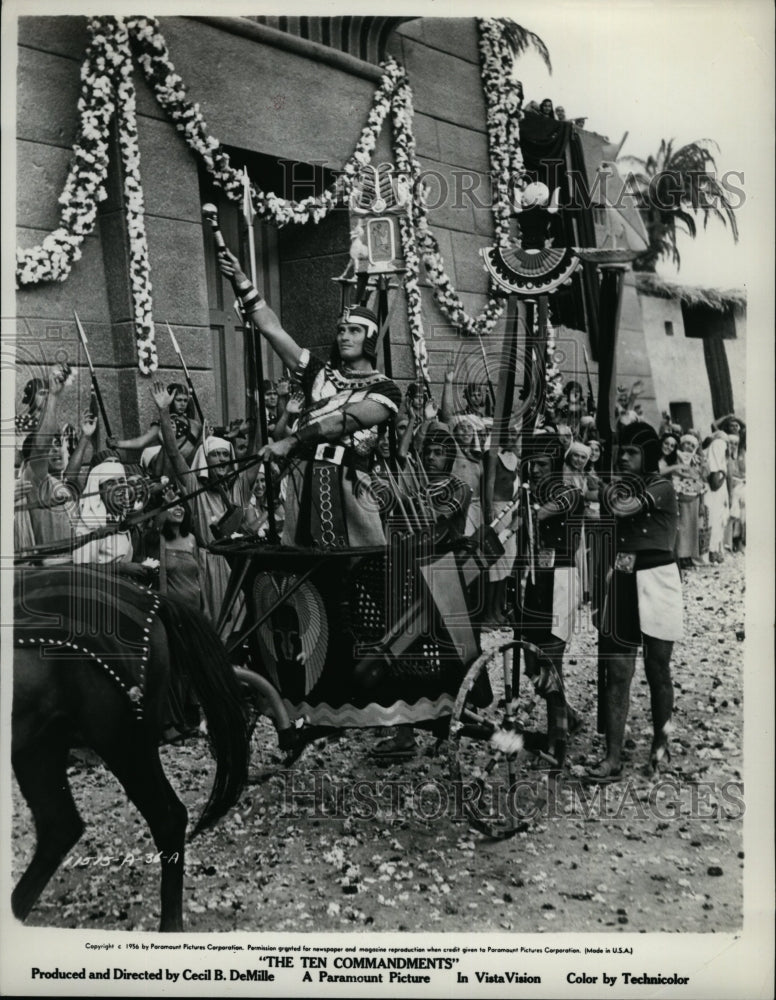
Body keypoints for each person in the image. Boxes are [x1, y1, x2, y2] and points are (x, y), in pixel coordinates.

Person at [219, 247, 401, 548]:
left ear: (369, 336)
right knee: (304, 571)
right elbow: (272, 328)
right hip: (305, 479)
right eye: (341, 330)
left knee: (361, 568)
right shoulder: (318, 373)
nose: (344, 336)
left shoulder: (385, 389)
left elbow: (342, 422)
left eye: (354, 330)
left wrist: (290, 441)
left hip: (351, 485)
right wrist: (241, 280)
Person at [589, 420, 682, 782]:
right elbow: (607, 545)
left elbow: (627, 508)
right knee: (617, 673)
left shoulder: (662, 486)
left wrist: (604, 488)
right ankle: (612, 757)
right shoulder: (617, 488)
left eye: (631, 452)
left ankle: (661, 745)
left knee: (658, 669)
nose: (624, 458)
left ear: (648, 455)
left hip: (658, 580)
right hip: (623, 580)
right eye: (621, 452)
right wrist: (600, 599)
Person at [518, 432, 584, 766]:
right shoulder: (528, 494)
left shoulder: (569, 491)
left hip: (561, 581)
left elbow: (539, 515)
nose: (534, 470)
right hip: (535, 582)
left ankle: (557, 743)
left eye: (542, 464)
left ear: (555, 465)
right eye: (530, 464)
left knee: (551, 664)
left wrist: (522, 510)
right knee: (532, 666)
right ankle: (566, 715)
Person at [109, 382, 201, 470]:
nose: (182, 404)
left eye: (185, 400)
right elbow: (141, 442)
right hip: (168, 466)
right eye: (179, 400)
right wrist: (118, 444)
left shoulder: (195, 424)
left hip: (189, 466)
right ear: (171, 400)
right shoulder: (164, 423)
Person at [483, 426, 521, 625]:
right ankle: (488, 613)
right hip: (497, 510)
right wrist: (489, 508)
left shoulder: (515, 458)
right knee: (495, 564)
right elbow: (489, 483)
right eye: (507, 433)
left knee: (507, 564)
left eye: (514, 434)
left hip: (511, 511)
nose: (510, 437)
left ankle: (499, 609)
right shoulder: (493, 456)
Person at [703, 430, 729, 564]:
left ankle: (716, 551)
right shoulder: (715, 464)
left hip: (716, 496)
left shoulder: (715, 461)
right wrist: (724, 474)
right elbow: (714, 484)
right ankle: (711, 552)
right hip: (713, 495)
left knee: (716, 522)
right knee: (713, 521)